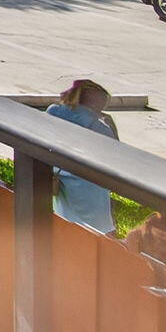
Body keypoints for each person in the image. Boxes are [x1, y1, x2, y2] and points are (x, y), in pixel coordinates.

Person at [45, 79, 119, 234]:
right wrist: (110, 124)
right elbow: (117, 156)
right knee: (97, 232)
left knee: (66, 225)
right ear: (97, 104)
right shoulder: (99, 127)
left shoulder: (52, 112)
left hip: (61, 181)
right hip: (91, 188)